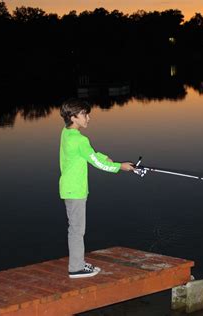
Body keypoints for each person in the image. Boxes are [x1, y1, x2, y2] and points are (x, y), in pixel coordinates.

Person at [59, 98, 135, 278]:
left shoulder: (67, 133)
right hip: (75, 190)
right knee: (77, 229)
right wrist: (119, 166)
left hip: (68, 188)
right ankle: (76, 268)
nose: (88, 118)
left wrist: (103, 156)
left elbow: (89, 155)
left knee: (75, 228)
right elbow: (96, 163)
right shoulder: (79, 140)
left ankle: (77, 263)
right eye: (85, 114)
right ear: (73, 117)